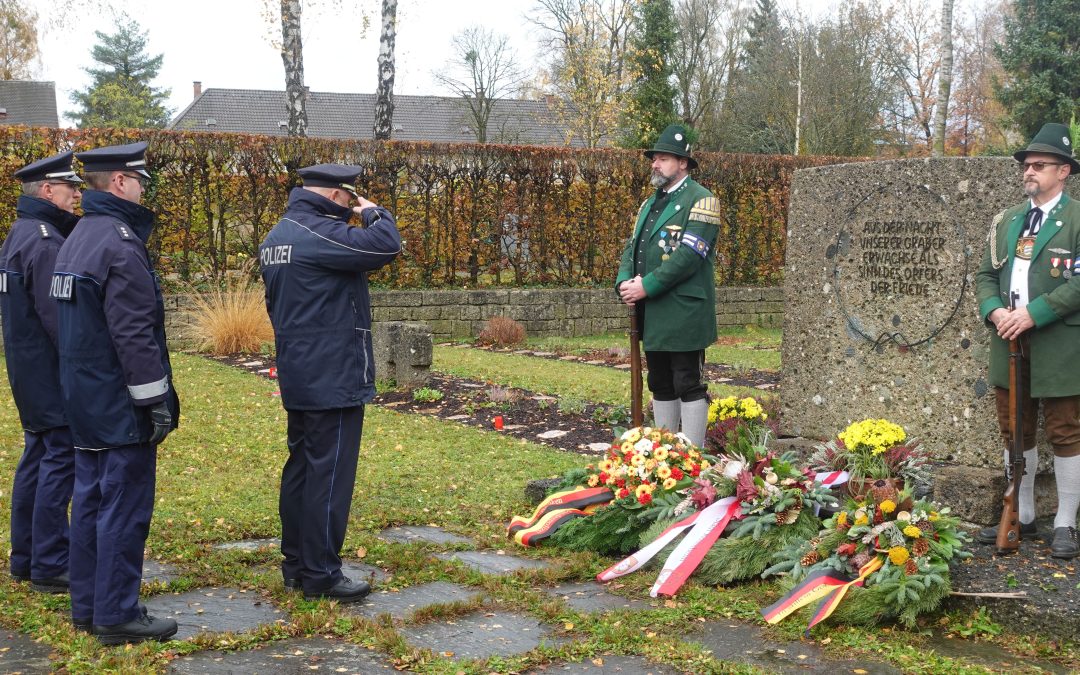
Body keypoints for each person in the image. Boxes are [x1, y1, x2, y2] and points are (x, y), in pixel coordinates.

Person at [51, 141, 179, 642]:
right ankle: (117, 613)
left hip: (82, 397)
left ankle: (87, 605)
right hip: (119, 401)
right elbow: (133, 333)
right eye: (140, 181)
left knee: (88, 503)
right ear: (121, 182)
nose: (144, 190)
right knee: (123, 508)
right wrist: (154, 402)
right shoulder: (120, 243)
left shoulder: (77, 237)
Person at [260, 164, 401, 602]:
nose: (351, 206)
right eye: (350, 199)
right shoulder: (316, 233)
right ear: (338, 195)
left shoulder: (277, 236)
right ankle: (321, 573)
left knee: (302, 469)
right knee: (329, 474)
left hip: (301, 369)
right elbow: (384, 245)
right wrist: (376, 212)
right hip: (332, 373)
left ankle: (296, 565)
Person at [974, 122, 1080, 559]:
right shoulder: (1008, 221)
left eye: (1039, 165)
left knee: (1065, 431)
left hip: (1059, 343)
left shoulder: (1076, 220)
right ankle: (1023, 515)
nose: (1028, 172)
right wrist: (995, 310)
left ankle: (1066, 523)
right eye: (1026, 166)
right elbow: (985, 276)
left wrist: (1032, 315)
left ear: (1064, 172)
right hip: (1007, 341)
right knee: (1014, 431)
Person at [0, 152, 82, 593]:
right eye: (70, 188)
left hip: (27, 369)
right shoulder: (45, 241)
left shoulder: (19, 234)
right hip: (49, 372)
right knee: (59, 458)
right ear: (48, 190)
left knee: (37, 457)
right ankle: (50, 561)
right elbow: (59, 319)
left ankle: (27, 555)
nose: (76, 196)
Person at [615, 124, 721, 448]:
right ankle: (665, 455)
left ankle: (693, 456)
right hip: (653, 311)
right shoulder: (649, 205)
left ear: (683, 163)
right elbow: (633, 248)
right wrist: (624, 282)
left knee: (687, 381)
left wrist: (645, 286)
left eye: (662, 158)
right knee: (659, 382)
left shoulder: (703, 201)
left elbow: (689, 255)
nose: (655, 164)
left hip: (684, 310)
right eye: (654, 158)